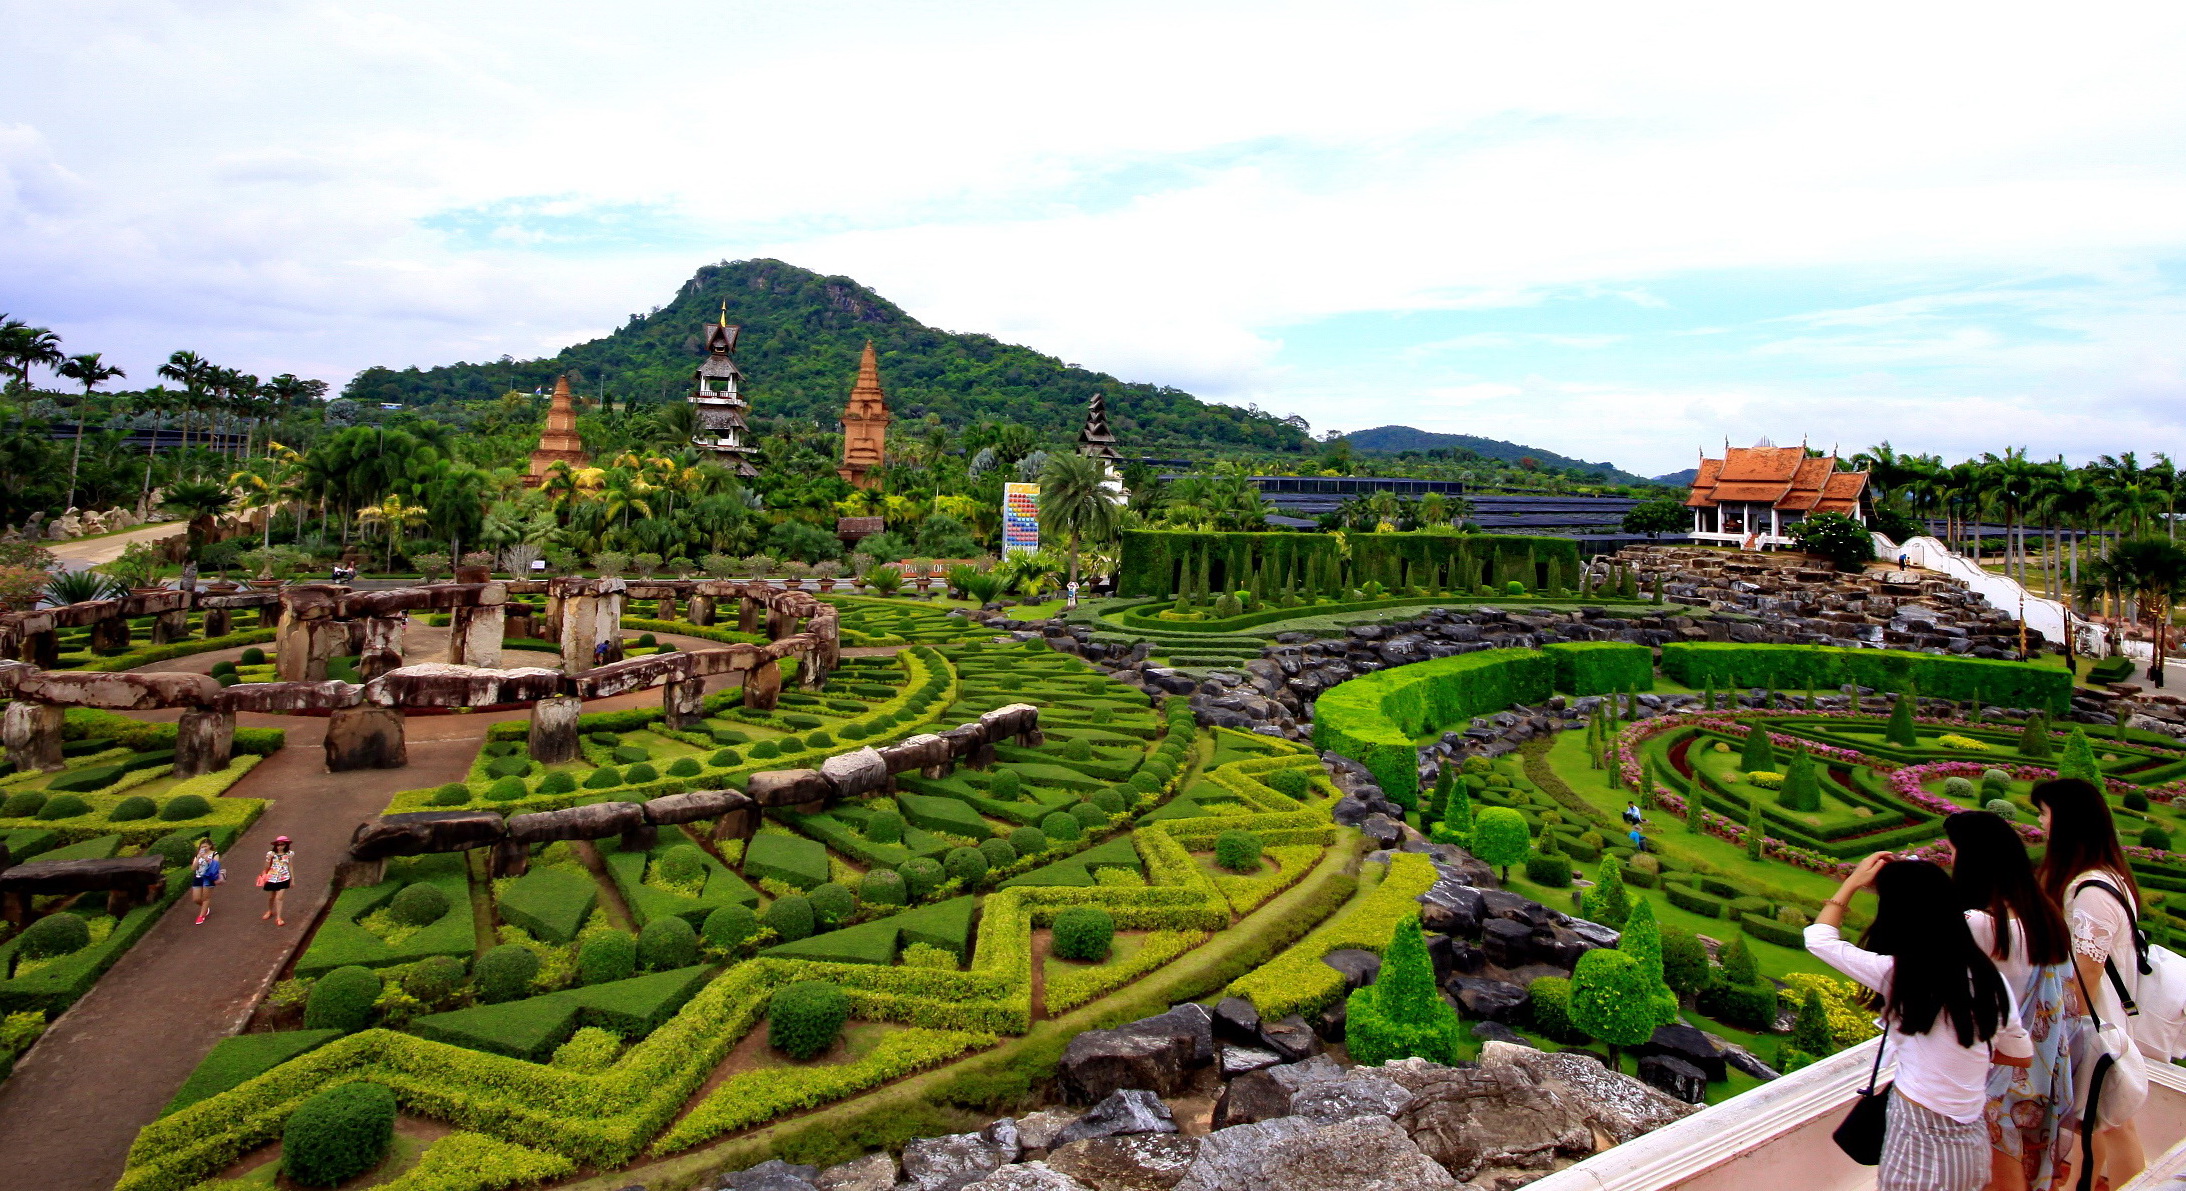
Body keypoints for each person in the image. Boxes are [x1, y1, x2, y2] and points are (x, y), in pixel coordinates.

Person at [1808, 853, 2014, 1191]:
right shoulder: (1990, 979)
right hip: (1971, 1135)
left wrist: (1852, 882)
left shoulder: (1899, 974)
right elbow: (2019, 1054)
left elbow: (1818, 939)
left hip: (1916, 1124)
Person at [1946, 811, 2084, 1191]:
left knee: (1998, 1173)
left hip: (1992, 1067)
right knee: (2011, 1166)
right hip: (2037, 1065)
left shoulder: (1978, 924)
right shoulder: (2042, 915)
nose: (1950, 859)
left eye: (1953, 850)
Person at [2033, 777, 2148, 1188]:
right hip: (2102, 1018)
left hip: (2092, 1020)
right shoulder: (2104, 877)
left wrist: (2067, 1029)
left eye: (2044, 814)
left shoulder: (2090, 891)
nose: (2040, 822)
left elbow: (2089, 969)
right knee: (2098, 1122)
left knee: (2111, 1124)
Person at [259, 835, 295, 926]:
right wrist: (269, 859)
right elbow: (266, 867)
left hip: (284, 878)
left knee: (279, 897)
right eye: (278, 845)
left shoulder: (289, 854)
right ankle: (270, 910)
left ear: (285, 845)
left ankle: (279, 917)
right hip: (272, 877)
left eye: (282, 844)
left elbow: (290, 866)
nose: (280, 847)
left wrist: (292, 879)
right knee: (271, 897)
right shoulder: (271, 854)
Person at [188, 837, 222, 925]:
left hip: (208, 877)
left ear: (210, 846)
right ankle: (205, 908)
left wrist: (206, 858)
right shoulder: (198, 855)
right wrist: (198, 858)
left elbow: (215, 865)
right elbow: (193, 868)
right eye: (202, 847)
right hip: (198, 877)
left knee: (205, 898)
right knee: (196, 899)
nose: (204, 848)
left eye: (205, 846)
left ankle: (201, 916)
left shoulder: (214, 854)